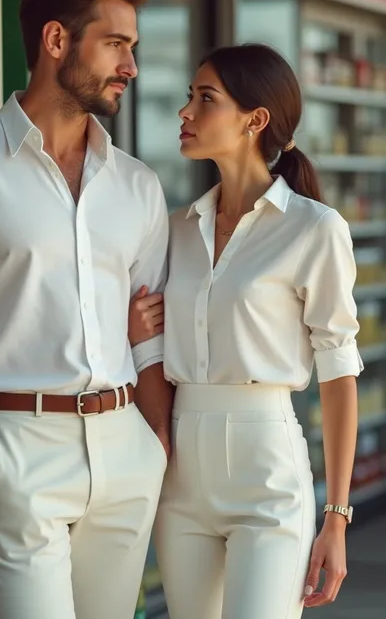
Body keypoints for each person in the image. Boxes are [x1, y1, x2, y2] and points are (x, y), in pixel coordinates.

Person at [0, 0, 174, 619]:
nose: (130, 67)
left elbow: (146, 334)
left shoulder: (138, 185)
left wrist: (156, 445)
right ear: (57, 41)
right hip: (12, 449)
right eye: (116, 44)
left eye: (133, 48)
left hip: (124, 449)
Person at [128, 43, 362, 619]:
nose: (185, 112)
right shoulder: (177, 229)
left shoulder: (315, 228)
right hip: (181, 475)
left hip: (268, 470)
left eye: (205, 99)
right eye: (189, 97)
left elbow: (338, 375)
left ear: (255, 121)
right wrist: (135, 331)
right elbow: (152, 344)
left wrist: (337, 516)